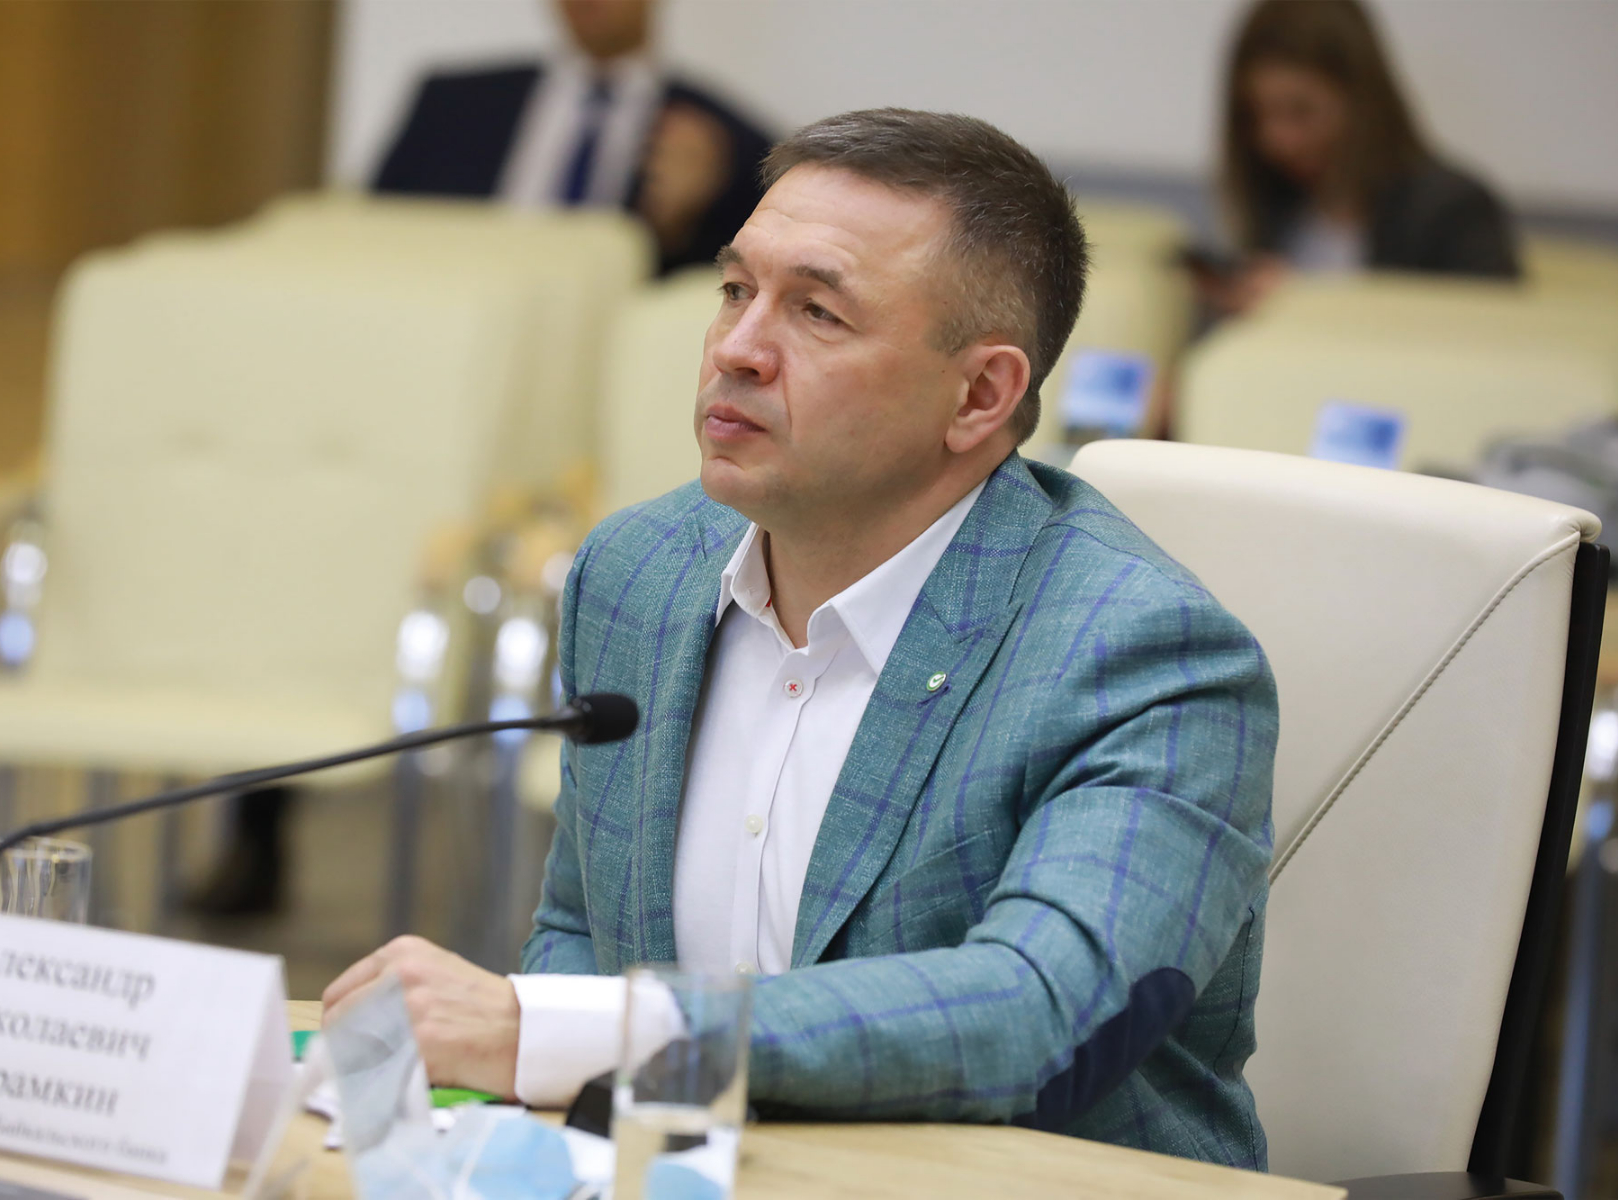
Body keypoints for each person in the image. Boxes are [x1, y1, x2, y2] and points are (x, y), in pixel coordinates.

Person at [326, 109, 1279, 1167]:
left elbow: (1034, 1015)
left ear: (980, 395)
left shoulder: (1146, 656)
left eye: (818, 312)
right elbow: (584, 937)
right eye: (736, 290)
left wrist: (582, 1036)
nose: (736, 349)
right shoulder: (638, 573)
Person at [373, 0, 772, 274]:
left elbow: (736, 296)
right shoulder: (451, 107)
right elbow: (375, 237)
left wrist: (679, 227)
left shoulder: (733, 143)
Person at [1200, 0, 1520, 315]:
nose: (1277, 140)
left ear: (1362, 100)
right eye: (1255, 114)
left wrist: (1303, 301)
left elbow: (1489, 336)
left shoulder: (1454, 211)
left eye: (1301, 111)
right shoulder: (1277, 203)